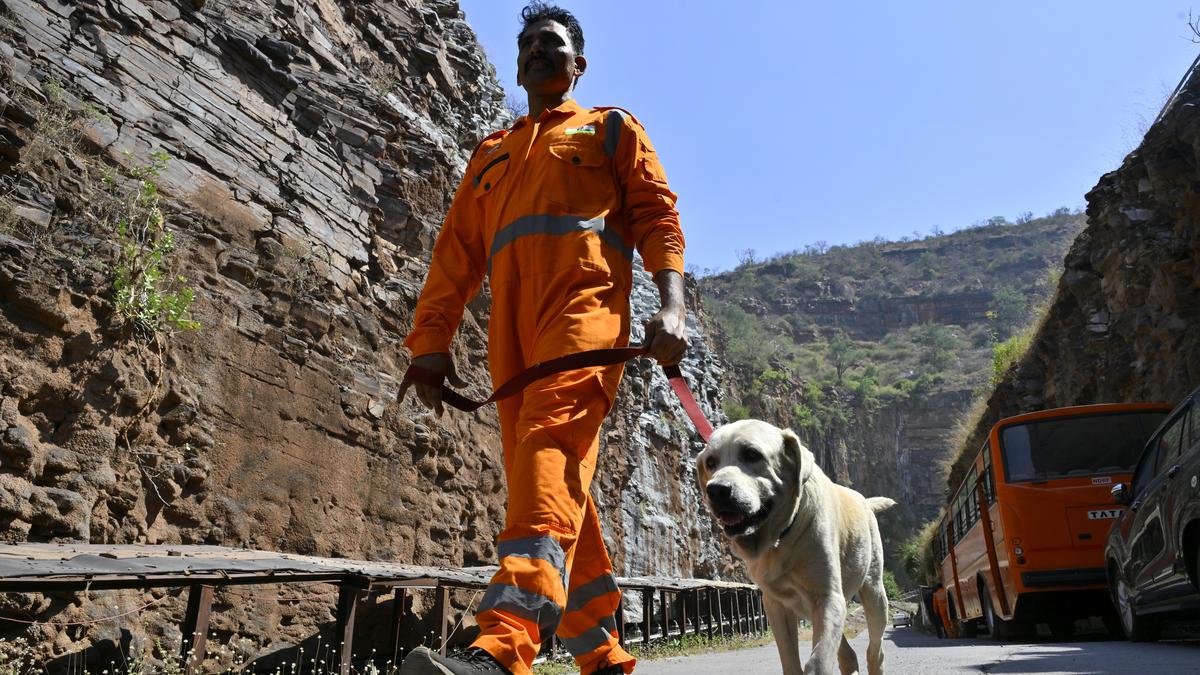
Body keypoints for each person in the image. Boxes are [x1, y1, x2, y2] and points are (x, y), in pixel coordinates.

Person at [398, 3, 687, 674]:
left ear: (577, 63)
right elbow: (456, 255)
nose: (535, 51)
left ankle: (503, 643)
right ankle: (603, 654)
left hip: (586, 316)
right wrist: (430, 342)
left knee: (546, 447)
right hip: (512, 338)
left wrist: (672, 307)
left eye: (550, 43)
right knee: (547, 480)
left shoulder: (610, 128)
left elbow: (657, 219)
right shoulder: (491, 153)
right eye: (526, 43)